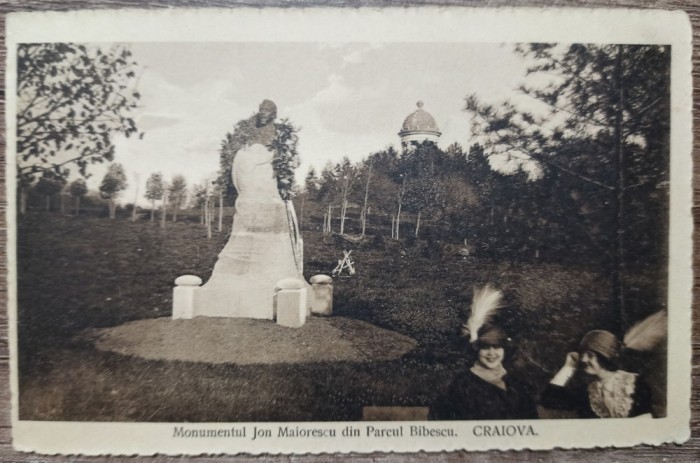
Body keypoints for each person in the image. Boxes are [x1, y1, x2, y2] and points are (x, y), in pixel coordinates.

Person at [430, 324, 539, 420]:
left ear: (504, 350)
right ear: (477, 350)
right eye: (485, 347)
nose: (491, 353)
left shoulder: (517, 382)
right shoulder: (461, 385)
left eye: (497, 347)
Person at [541, 330, 652, 418]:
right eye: (582, 354)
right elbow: (548, 400)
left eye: (590, 355)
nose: (583, 360)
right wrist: (568, 367)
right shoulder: (587, 393)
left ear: (604, 356)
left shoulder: (635, 384)